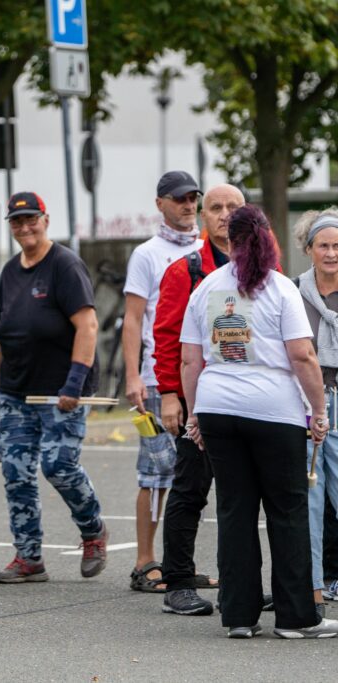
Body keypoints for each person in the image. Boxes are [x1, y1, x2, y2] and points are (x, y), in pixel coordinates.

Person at [180, 204, 338, 638]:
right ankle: (295, 617)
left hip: (218, 407)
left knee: (235, 511)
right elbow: (303, 356)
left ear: (229, 242)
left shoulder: (206, 288)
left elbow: (190, 360)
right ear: (268, 240)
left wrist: (194, 413)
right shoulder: (281, 289)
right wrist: (318, 410)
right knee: (287, 512)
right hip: (273, 410)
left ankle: (239, 616)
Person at [0, 191, 108, 584]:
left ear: (46, 219)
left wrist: (74, 382)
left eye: (31, 219)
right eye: (17, 222)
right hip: (16, 392)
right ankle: (29, 557)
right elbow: (2, 331)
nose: (24, 227)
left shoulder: (65, 266)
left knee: (58, 465)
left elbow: (87, 326)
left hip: (62, 390)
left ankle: (93, 530)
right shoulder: (9, 272)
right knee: (15, 471)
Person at [152, 184, 243, 616]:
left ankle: (238, 584)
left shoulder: (261, 267)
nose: (225, 214)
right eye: (216, 208)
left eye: (234, 207)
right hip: (198, 398)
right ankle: (179, 581)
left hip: (248, 399)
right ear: (203, 217)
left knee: (242, 493)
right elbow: (166, 339)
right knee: (190, 489)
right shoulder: (184, 271)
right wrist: (171, 396)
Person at [122, 171, 204, 593]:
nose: (188, 205)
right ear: (160, 204)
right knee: (157, 470)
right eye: (179, 199)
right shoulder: (147, 254)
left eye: (193, 197)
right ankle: (144, 561)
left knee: (196, 474)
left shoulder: (209, 249)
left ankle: (181, 563)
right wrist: (134, 375)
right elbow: (134, 319)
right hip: (159, 378)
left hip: (204, 377)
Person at [293, 207, 338, 619]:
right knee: (309, 496)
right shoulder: (293, 291)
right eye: (323, 245)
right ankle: (313, 588)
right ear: (309, 250)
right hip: (307, 399)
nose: (331, 253)